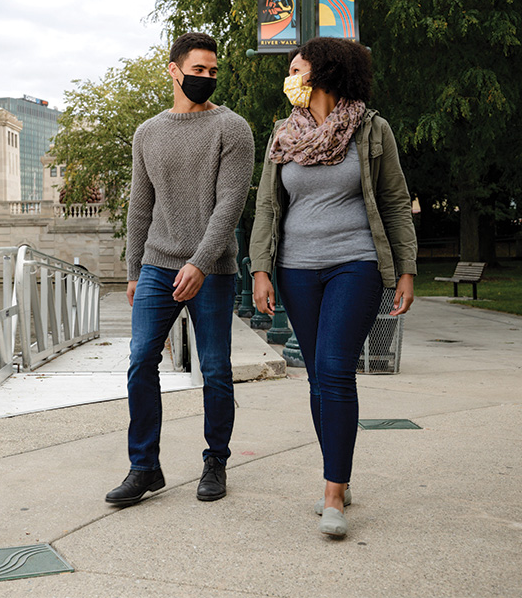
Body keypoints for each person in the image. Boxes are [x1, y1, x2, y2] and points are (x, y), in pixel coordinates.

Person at [249, 37, 417, 537]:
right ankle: (340, 477)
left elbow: (394, 199)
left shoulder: (370, 130)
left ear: (322, 73)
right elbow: (266, 206)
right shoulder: (283, 135)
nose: (291, 78)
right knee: (317, 377)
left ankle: (331, 493)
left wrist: (405, 268)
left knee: (334, 369)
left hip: (356, 263)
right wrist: (260, 269)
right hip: (298, 269)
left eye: (296, 68)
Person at [105, 31, 255, 507]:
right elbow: (139, 206)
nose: (206, 78)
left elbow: (230, 205)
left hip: (212, 269)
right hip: (156, 265)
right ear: (174, 70)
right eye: (198, 70)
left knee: (215, 370)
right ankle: (144, 467)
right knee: (139, 363)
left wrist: (200, 263)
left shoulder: (233, 129)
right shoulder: (148, 133)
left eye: (212, 71)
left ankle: (216, 461)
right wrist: (133, 269)